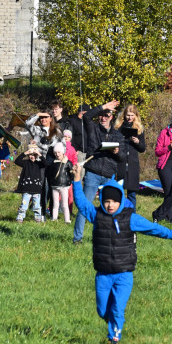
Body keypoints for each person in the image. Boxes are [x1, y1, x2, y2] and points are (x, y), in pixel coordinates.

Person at [72, 164, 172, 344]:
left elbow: (154, 229)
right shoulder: (97, 215)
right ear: (102, 200)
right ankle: (114, 323)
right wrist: (77, 179)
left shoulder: (130, 218)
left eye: (114, 201)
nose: (110, 205)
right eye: (107, 201)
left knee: (117, 308)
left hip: (124, 274)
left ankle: (114, 338)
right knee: (103, 311)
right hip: (102, 274)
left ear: (121, 201)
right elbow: (80, 201)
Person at [72, 101, 125, 245]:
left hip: (109, 175)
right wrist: (103, 107)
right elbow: (86, 117)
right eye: (101, 115)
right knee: (85, 206)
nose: (103, 118)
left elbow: (123, 158)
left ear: (111, 117)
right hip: (93, 173)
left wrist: (117, 152)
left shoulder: (117, 136)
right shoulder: (93, 128)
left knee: (112, 208)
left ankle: (110, 237)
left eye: (106, 115)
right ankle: (77, 239)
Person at [114, 104, 146, 211]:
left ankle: (132, 214)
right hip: (120, 163)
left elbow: (142, 148)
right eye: (128, 115)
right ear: (124, 115)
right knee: (119, 191)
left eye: (132, 115)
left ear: (136, 115)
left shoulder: (139, 128)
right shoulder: (118, 127)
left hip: (133, 164)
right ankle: (119, 213)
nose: (130, 117)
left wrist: (137, 142)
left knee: (132, 193)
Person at [14, 143, 46, 223]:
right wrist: (25, 153)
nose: (32, 156)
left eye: (34, 155)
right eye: (30, 155)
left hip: (36, 189)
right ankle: (20, 218)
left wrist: (39, 154)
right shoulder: (25, 163)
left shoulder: (39, 164)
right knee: (24, 205)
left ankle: (38, 218)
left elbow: (46, 164)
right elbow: (17, 161)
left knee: (37, 206)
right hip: (26, 189)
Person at [46, 143, 73, 223]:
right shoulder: (53, 163)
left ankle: (67, 220)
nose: (57, 154)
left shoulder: (68, 163)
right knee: (55, 204)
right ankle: (54, 218)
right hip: (54, 186)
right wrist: (51, 182)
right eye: (55, 153)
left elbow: (71, 174)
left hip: (64, 186)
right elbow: (50, 174)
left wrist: (68, 182)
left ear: (63, 152)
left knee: (64, 204)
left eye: (59, 152)